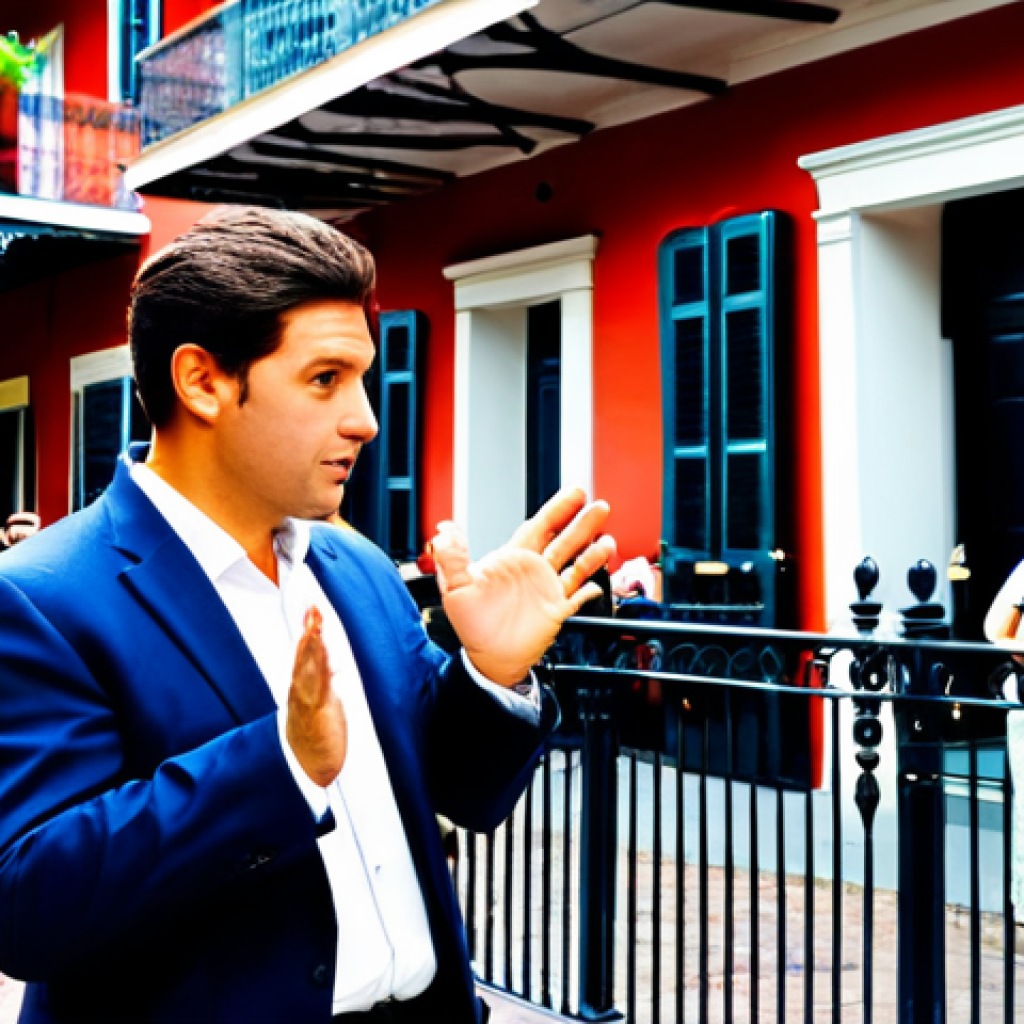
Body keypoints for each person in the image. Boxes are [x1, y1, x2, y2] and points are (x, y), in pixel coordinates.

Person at [0, 207, 615, 1024]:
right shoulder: (41, 596)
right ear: (204, 382)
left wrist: (490, 678)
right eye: (325, 379)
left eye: (362, 377)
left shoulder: (355, 565)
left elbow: (459, 790)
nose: (365, 417)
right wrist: (281, 765)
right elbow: (28, 906)